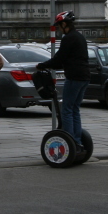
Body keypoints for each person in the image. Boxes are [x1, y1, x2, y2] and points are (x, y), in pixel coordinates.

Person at [36, 11, 90, 150]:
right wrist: (54, 65)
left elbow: (59, 58)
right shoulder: (79, 37)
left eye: (60, 26)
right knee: (74, 109)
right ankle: (77, 141)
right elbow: (66, 60)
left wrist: (43, 65)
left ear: (65, 24)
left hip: (74, 78)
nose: (59, 29)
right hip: (84, 77)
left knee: (66, 109)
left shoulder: (68, 38)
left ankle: (70, 141)